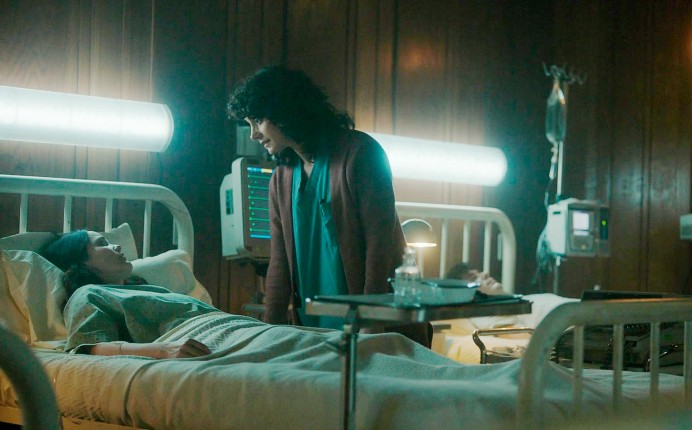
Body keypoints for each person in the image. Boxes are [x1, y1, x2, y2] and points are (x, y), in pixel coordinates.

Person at [227, 65, 430, 346]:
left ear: (284, 110)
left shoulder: (360, 154)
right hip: (315, 333)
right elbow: (280, 266)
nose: (253, 134)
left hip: (377, 327)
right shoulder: (281, 181)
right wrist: (267, 336)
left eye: (258, 121)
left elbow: (379, 246)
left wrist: (370, 321)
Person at [40, 230, 236, 358]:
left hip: (229, 325)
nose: (116, 246)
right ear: (79, 263)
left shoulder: (145, 290)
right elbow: (89, 348)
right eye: (102, 243)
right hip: (202, 339)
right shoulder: (87, 294)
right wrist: (163, 350)